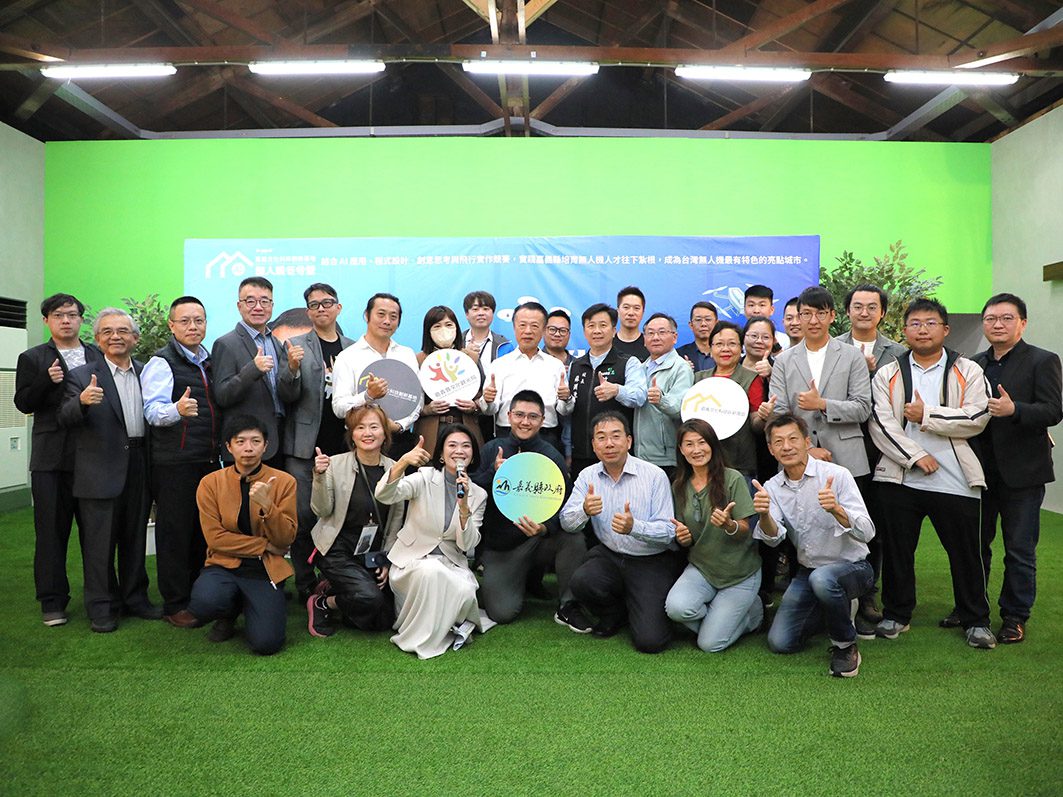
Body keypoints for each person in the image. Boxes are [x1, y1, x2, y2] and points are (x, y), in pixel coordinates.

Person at [868, 298, 995, 649]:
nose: (922, 330)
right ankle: (897, 614)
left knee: (966, 554)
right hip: (900, 477)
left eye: (930, 323)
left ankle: (976, 620)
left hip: (956, 478)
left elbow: (978, 416)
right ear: (904, 330)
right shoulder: (888, 373)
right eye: (915, 323)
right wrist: (915, 455)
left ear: (945, 329)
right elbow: (880, 423)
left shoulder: (968, 370)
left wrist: (927, 415)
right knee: (897, 552)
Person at [58, 308, 157, 633]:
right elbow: (64, 417)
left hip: (140, 464)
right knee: (99, 545)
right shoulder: (81, 376)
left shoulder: (146, 372)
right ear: (98, 339)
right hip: (99, 470)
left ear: (135, 338)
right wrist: (82, 402)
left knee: (135, 537)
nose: (116, 337)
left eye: (123, 331)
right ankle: (102, 607)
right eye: (108, 332)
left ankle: (135, 599)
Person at [754, 414, 875, 678]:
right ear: (771, 449)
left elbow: (868, 532)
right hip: (809, 572)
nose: (787, 447)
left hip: (853, 567)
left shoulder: (837, 475)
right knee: (780, 642)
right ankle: (835, 608)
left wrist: (837, 510)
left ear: (807, 442)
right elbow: (773, 538)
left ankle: (845, 645)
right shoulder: (772, 487)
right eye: (778, 442)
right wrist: (763, 515)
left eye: (793, 439)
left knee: (824, 580)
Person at [972, 293, 1061, 643]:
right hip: (978, 472)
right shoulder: (973, 363)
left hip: (1023, 473)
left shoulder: (1043, 360)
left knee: (1019, 550)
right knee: (975, 546)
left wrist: (1015, 410)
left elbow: (1053, 410)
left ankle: (1014, 616)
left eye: (1006, 318)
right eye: (991, 318)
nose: (998, 324)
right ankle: (972, 608)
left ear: (1022, 323)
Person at [167, 415, 297, 655]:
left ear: (265, 446)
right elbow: (215, 538)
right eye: (240, 441)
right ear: (228, 446)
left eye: (256, 441)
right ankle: (228, 612)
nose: (248, 448)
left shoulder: (284, 481)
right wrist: (264, 545)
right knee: (204, 603)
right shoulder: (211, 483)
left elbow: (285, 539)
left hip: (263, 570)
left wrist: (268, 506)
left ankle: (252, 605)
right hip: (223, 565)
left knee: (267, 643)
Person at [14, 293, 102, 627]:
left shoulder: (96, 354)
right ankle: (52, 601)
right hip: (51, 459)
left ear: (81, 319)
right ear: (46, 320)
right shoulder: (33, 357)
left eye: (72, 314)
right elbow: (23, 403)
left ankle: (101, 598)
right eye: (58, 315)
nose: (66, 320)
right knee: (51, 532)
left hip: (92, 455)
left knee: (95, 533)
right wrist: (44, 381)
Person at [561, 412, 682, 653]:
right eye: (601, 438)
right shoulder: (588, 476)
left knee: (651, 641)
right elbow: (566, 522)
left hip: (651, 560)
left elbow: (669, 531)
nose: (609, 444)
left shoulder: (654, 475)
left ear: (629, 441)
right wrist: (584, 510)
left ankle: (639, 605)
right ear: (593, 445)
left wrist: (634, 527)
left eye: (616, 436)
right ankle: (614, 612)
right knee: (583, 580)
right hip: (610, 555)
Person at [472, 390, 589, 629]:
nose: (525, 422)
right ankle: (521, 580)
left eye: (533, 416)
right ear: (508, 416)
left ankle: (568, 605)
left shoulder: (551, 455)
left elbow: (565, 504)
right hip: (502, 548)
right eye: (519, 415)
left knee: (573, 539)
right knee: (502, 613)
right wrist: (493, 473)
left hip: (539, 541)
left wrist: (545, 528)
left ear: (542, 420)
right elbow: (470, 490)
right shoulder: (492, 449)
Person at [375, 425, 491, 659]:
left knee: (466, 590)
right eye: (452, 445)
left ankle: (449, 626)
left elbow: (468, 545)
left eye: (466, 446)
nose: (459, 451)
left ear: (473, 455)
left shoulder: (478, 494)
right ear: (441, 454)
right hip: (412, 561)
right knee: (431, 571)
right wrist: (403, 462)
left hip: (451, 562)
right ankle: (425, 637)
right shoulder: (424, 478)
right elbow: (384, 495)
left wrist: (464, 509)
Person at [141, 296, 220, 624]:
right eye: (185, 321)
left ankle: (198, 597)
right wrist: (177, 409)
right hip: (175, 462)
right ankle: (175, 604)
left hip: (206, 459)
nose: (193, 326)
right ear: (171, 325)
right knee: (175, 533)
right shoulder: (162, 362)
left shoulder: (208, 360)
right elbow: (151, 411)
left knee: (201, 531)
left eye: (198, 320)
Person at [276, 283, 355, 602]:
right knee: (304, 517)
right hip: (304, 448)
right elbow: (286, 395)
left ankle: (337, 579)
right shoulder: (294, 345)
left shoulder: (353, 349)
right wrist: (292, 368)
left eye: (327, 302)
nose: (321, 308)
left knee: (341, 515)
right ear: (308, 312)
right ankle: (306, 582)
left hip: (345, 447)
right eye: (314, 304)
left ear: (338, 307)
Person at [836, 282, 906, 632]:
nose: (864, 312)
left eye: (872, 307)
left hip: (883, 449)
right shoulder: (832, 348)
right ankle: (836, 591)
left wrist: (871, 373)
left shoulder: (898, 353)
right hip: (839, 447)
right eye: (858, 306)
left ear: (883, 313)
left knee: (873, 524)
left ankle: (868, 594)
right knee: (838, 520)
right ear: (847, 311)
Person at [664, 420, 762, 652]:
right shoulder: (679, 485)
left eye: (702, 442)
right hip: (702, 568)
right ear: (681, 450)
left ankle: (752, 616)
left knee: (709, 644)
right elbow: (687, 538)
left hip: (739, 573)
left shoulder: (733, 478)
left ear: (713, 445)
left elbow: (745, 530)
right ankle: (726, 615)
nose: (696, 450)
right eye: (689, 444)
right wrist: (683, 537)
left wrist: (729, 525)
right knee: (676, 609)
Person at [306, 404, 402, 637]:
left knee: (383, 619)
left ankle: (336, 587)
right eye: (360, 427)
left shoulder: (394, 468)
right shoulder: (334, 464)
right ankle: (323, 602)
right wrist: (319, 477)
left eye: (374, 427)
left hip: (371, 549)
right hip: (337, 546)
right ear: (351, 434)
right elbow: (321, 509)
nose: (367, 433)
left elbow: (396, 519)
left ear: (385, 433)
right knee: (370, 598)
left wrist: (387, 559)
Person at [766, 286, 872, 478]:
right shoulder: (783, 361)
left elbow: (863, 408)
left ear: (832, 316)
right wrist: (807, 449)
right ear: (799, 317)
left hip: (846, 459)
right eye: (807, 314)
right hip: (796, 460)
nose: (814, 321)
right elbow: (779, 411)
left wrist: (823, 404)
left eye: (821, 313)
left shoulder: (852, 356)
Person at [211, 277, 295, 467]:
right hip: (246, 445)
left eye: (264, 301)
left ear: (272, 306)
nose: (258, 307)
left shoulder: (276, 343)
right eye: (250, 301)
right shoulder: (226, 344)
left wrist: (293, 369)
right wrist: (252, 370)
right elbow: (222, 395)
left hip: (278, 440)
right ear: (239, 306)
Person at [332, 293, 422, 458]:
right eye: (381, 314)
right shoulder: (348, 356)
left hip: (400, 441)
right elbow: (339, 407)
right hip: (362, 440)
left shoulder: (406, 354)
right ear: (367, 316)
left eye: (393, 317)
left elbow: (417, 398)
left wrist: (399, 425)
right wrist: (368, 396)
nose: (387, 321)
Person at [479, 301, 572, 456]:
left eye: (534, 326)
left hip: (546, 437)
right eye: (522, 325)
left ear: (544, 330)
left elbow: (564, 410)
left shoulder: (556, 365)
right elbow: (489, 410)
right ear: (514, 327)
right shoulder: (499, 365)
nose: (528, 331)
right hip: (508, 437)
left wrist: (566, 398)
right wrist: (487, 400)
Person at [567, 304, 648, 476]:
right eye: (591, 326)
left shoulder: (628, 362)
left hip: (616, 453)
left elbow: (640, 396)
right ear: (584, 331)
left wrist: (617, 390)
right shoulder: (576, 365)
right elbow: (568, 411)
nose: (597, 331)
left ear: (613, 330)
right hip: (581, 452)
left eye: (603, 325)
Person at [692, 322, 764, 480]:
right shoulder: (698, 379)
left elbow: (756, 424)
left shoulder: (751, 379)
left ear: (741, 348)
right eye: (719, 344)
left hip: (739, 465)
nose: (725, 349)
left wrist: (765, 416)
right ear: (711, 349)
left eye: (732, 344)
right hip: (702, 464)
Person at [415, 305, 483, 454]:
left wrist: (475, 406)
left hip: (466, 429)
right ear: (428, 331)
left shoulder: (471, 358)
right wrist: (426, 409)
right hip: (430, 433)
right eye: (437, 326)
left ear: (456, 328)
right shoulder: (418, 360)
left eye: (448, 325)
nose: (444, 330)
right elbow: (408, 402)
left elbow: (484, 397)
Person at [634, 313, 694, 477]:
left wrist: (661, 400)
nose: (655, 337)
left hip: (666, 458)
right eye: (650, 333)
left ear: (674, 337)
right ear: (644, 339)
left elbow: (679, 408)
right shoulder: (640, 368)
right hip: (640, 455)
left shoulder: (681, 368)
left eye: (662, 332)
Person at [544, 309, 574, 466]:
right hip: (543, 435)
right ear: (544, 330)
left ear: (569, 334)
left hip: (572, 440)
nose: (557, 334)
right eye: (552, 329)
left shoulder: (579, 365)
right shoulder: (532, 363)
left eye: (563, 330)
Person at [743, 284, 788, 351]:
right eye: (751, 305)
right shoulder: (737, 339)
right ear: (744, 309)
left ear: (771, 310)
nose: (756, 311)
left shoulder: (785, 341)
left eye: (762, 305)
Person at [676, 301, 717, 372]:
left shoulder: (726, 353)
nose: (703, 324)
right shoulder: (679, 355)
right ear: (691, 325)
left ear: (716, 323)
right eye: (698, 320)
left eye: (708, 319)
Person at [613, 286, 649, 361]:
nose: (631, 313)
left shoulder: (650, 344)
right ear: (618, 311)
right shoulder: (607, 344)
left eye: (636, 308)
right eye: (626, 307)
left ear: (642, 313)